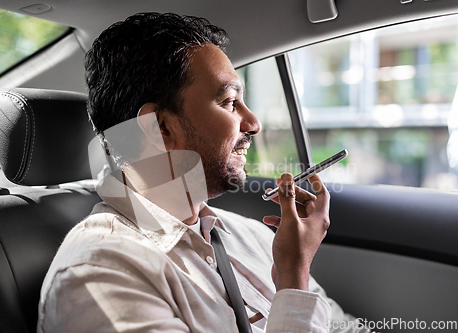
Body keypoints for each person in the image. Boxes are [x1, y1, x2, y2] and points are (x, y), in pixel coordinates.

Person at [37, 12, 368, 333]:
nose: (253, 123)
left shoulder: (253, 236)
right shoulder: (100, 275)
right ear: (161, 128)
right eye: (228, 102)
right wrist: (293, 282)